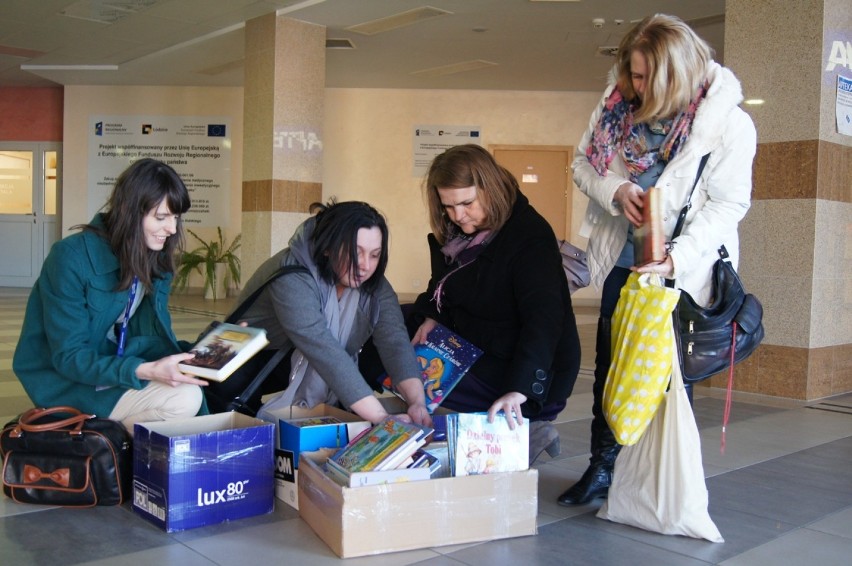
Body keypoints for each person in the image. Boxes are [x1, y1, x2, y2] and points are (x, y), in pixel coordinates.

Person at [557, 14, 756, 506]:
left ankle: (659, 481)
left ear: (677, 76)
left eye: (646, 78)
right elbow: (583, 164)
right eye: (632, 74)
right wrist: (616, 189)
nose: (635, 86)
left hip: (679, 271)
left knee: (665, 379)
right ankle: (602, 469)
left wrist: (676, 257)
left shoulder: (727, 122)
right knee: (610, 371)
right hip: (621, 260)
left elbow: (730, 204)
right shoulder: (617, 104)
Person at [408, 144, 582, 465]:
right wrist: (432, 316)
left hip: (529, 373)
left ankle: (526, 424)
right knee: (391, 330)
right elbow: (443, 287)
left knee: (405, 362)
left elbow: (544, 320)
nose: (458, 215)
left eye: (467, 203)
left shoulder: (529, 236)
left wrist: (521, 388)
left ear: (490, 189)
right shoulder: (460, 233)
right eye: (448, 206)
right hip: (484, 343)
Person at [13, 158, 207, 434]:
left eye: (176, 218)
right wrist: (145, 371)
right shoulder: (71, 257)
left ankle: (108, 449)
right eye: (161, 217)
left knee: (191, 389)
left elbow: (153, 338)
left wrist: (209, 349)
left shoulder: (151, 257)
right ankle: (107, 444)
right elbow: (69, 357)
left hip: (109, 365)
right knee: (185, 398)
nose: (173, 229)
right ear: (129, 212)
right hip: (64, 379)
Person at [205, 200, 432, 427]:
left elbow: (394, 340)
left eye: (374, 255)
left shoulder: (374, 284)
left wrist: (417, 402)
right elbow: (322, 348)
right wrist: (381, 418)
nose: (364, 265)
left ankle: (344, 406)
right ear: (328, 248)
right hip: (255, 364)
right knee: (248, 423)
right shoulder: (293, 274)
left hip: (299, 359)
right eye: (356, 252)